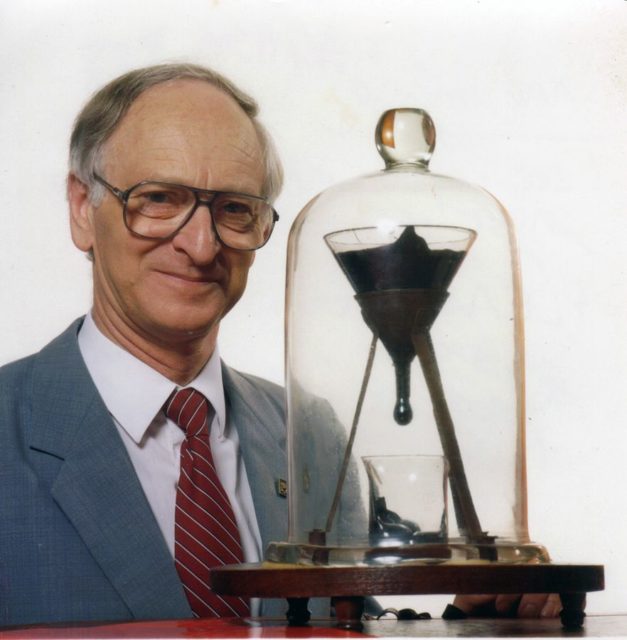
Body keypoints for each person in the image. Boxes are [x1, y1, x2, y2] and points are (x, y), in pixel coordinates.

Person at [0, 63, 559, 628]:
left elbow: (341, 626)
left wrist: (470, 622)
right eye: (160, 198)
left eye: (235, 209)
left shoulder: (310, 436)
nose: (200, 245)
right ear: (81, 210)